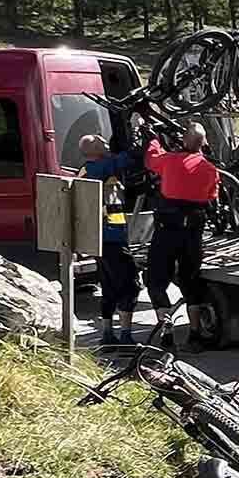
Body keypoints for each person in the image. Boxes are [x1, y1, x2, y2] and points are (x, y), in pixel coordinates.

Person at [143, 122, 220, 349]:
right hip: (193, 233)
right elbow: (211, 196)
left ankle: (166, 332)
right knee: (190, 282)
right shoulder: (210, 169)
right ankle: (195, 333)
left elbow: (151, 160)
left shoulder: (170, 160)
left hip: (167, 231)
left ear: (184, 141)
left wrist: (152, 138)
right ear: (203, 143)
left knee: (156, 282)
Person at [78, 134, 139, 344]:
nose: (107, 143)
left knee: (109, 286)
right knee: (130, 285)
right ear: (94, 150)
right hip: (110, 236)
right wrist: (137, 142)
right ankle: (126, 337)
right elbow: (126, 160)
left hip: (101, 237)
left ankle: (107, 334)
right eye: (102, 142)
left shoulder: (89, 169)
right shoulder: (98, 168)